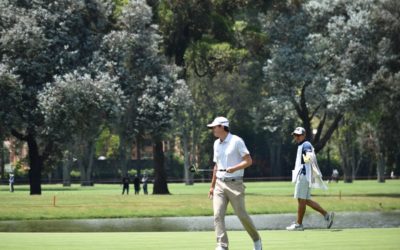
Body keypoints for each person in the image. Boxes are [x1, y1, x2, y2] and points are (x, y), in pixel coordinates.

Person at [207, 116, 262, 250]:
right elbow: (216, 166)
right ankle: (222, 245)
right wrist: (212, 186)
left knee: (241, 215)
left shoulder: (237, 141)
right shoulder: (216, 144)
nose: (213, 129)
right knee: (217, 215)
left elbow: (248, 161)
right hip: (220, 184)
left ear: (222, 127)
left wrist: (235, 168)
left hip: (235, 184)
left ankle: (256, 239)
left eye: (215, 127)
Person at [286, 127, 334, 231]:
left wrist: (306, 161)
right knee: (306, 200)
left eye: (298, 135)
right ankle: (326, 215)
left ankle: (299, 224)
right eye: (295, 135)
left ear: (303, 135)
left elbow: (309, 155)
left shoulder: (306, 144)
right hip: (304, 175)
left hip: (303, 175)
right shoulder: (301, 145)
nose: (296, 137)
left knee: (301, 200)